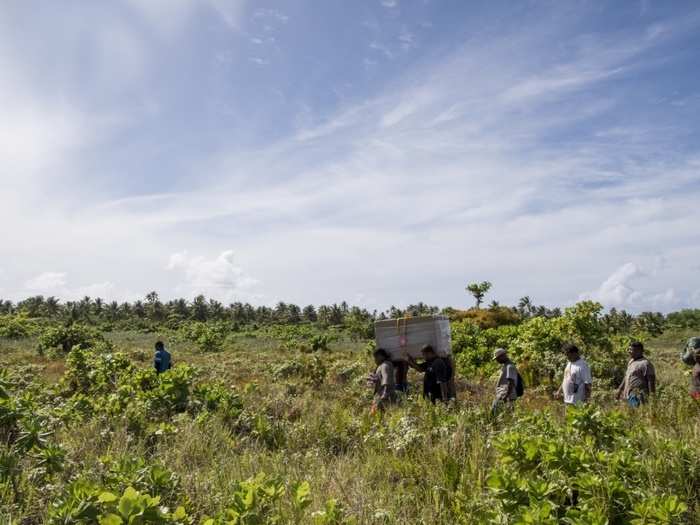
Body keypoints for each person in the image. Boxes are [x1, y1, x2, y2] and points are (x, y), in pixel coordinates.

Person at [616, 341, 656, 407]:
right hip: (629, 394)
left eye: (631, 350)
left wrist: (652, 399)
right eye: (629, 349)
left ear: (639, 351)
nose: (629, 351)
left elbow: (651, 382)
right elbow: (626, 376)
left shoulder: (646, 364)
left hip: (638, 395)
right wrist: (620, 389)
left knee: (637, 413)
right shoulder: (631, 361)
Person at [493, 348, 518, 412]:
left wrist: (506, 396)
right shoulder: (505, 366)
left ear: (503, 356)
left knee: (505, 416)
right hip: (502, 396)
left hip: (507, 397)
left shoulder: (510, 366)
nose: (497, 360)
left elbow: (511, 383)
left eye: (498, 358)